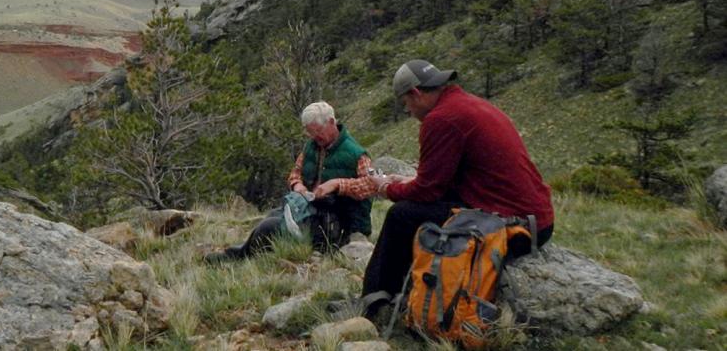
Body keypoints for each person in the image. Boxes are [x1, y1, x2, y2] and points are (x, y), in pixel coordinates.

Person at [357, 59, 555, 318]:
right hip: (537, 219)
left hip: (516, 226)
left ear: (416, 93)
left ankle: (376, 300)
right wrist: (406, 181)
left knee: (401, 215)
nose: (409, 111)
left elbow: (427, 192)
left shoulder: (441, 119)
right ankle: (404, 290)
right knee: (419, 210)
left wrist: (387, 189)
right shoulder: (467, 104)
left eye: (406, 104)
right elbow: (444, 181)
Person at [206, 101, 376, 262]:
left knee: (270, 226)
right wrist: (298, 185)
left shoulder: (356, 153)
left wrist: (338, 184)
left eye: (318, 131)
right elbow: (295, 173)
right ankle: (241, 254)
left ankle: (238, 257)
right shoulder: (311, 147)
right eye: (310, 133)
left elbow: (370, 186)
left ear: (331, 122)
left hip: (339, 221)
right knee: (273, 216)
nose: (315, 137)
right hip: (313, 210)